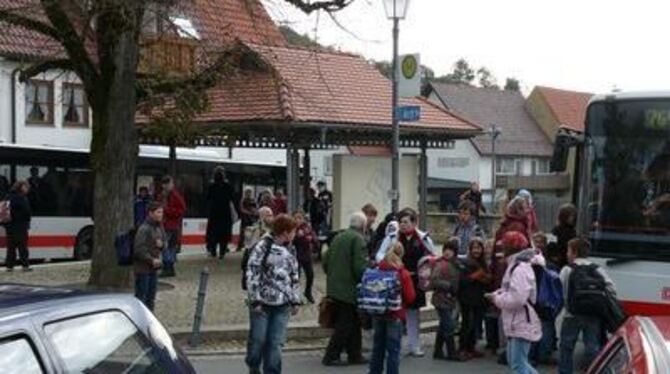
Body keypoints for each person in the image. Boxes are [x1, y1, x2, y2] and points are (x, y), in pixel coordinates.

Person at [376, 208, 436, 357]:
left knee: (413, 315)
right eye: (401, 222)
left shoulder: (423, 239)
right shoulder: (392, 237)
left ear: (414, 223)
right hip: (396, 280)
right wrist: (391, 265)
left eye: (406, 222)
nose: (402, 225)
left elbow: (433, 256)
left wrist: (425, 268)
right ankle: (392, 346)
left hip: (415, 281)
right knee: (394, 313)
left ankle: (414, 345)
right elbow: (380, 255)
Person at [245, 214, 301, 374]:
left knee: (276, 343)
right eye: (293, 231)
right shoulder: (262, 246)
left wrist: (295, 299)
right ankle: (253, 364)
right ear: (285, 232)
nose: (294, 235)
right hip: (262, 303)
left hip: (282, 304)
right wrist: (255, 299)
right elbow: (252, 272)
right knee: (258, 340)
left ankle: (272, 371)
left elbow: (294, 275)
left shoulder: (291, 248)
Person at [487, 231, 544, 374]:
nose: (502, 249)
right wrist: (498, 294)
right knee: (518, 363)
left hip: (520, 321)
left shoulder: (519, 268)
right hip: (519, 321)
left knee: (518, 365)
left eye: (504, 246)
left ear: (511, 248)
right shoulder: (519, 265)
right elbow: (514, 291)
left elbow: (518, 298)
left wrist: (496, 299)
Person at [558, 238, 616, 374]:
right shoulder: (597, 269)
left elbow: (560, 289)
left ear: (574, 252)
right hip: (593, 314)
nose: (567, 254)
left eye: (568, 250)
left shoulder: (567, 269)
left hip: (571, 314)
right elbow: (612, 288)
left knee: (566, 347)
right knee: (592, 347)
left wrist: (565, 304)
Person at [322, 212, 369, 366]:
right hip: (348, 289)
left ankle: (355, 354)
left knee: (354, 321)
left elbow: (325, 260)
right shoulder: (358, 239)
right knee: (345, 323)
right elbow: (359, 267)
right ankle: (331, 355)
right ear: (363, 225)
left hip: (335, 286)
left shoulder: (338, 236)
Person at [368, 241, 416, 374]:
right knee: (393, 350)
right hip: (395, 314)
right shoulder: (402, 273)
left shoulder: (377, 269)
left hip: (378, 312)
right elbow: (411, 296)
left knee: (378, 348)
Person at [430, 238, 466, 361]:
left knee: (443, 325)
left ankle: (438, 350)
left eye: (450, 250)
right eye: (445, 249)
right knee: (449, 326)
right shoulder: (441, 264)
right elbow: (434, 280)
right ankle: (451, 352)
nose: (447, 252)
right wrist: (448, 286)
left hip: (450, 299)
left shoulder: (456, 264)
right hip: (441, 299)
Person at [459, 237, 491, 359]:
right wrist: (476, 276)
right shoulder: (466, 262)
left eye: (478, 248)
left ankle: (471, 347)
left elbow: (488, 279)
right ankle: (463, 348)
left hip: (479, 298)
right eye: (474, 248)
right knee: (467, 324)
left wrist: (484, 277)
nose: (476, 251)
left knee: (476, 324)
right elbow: (463, 281)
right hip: (467, 298)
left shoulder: (483, 263)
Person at [133, 202, 166, 311]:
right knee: (142, 298)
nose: (161, 214)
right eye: (158, 212)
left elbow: (164, 243)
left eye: (161, 212)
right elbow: (139, 249)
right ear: (151, 213)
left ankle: (150, 320)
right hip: (143, 269)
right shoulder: (144, 228)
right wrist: (151, 260)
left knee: (150, 299)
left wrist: (162, 245)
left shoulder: (159, 227)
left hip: (153, 269)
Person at [206, 167, 235, 259]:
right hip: (225, 213)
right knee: (224, 234)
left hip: (214, 212)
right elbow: (233, 198)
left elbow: (207, 199)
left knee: (213, 233)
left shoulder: (211, 186)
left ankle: (213, 250)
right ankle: (222, 252)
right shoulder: (228, 186)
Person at [159, 175, 185, 277]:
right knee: (168, 246)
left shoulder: (175, 196)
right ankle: (169, 266)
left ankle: (168, 267)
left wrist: (167, 210)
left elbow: (181, 210)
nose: (167, 186)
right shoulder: (163, 195)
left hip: (171, 225)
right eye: (165, 184)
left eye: (168, 184)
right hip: (165, 224)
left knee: (167, 246)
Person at [4, 181, 32, 272]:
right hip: (20, 225)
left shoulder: (7, 196)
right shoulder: (21, 198)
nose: (27, 189)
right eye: (26, 187)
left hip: (9, 225)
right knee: (22, 247)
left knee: (11, 247)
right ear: (21, 187)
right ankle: (25, 266)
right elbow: (27, 212)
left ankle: (9, 266)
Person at [292, 211, 318, 304]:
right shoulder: (292, 228)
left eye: (300, 218)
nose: (297, 220)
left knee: (310, 275)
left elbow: (314, 239)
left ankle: (308, 292)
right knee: (296, 277)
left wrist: (311, 238)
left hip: (306, 255)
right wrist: (295, 236)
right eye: (295, 218)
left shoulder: (307, 227)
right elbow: (288, 241)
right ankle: (296, 296)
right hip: (295, 255)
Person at [548, 204, 577, 269]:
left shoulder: (573, 231)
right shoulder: (556, 230)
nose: (572, 218)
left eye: (573, 216)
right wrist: (554, 256)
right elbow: (551, 245)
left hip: (569, 259)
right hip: (558, 261)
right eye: (570, 216)